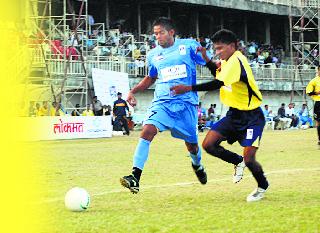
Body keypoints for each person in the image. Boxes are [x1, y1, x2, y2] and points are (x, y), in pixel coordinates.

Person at [171, 29, 269, 202]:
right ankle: (238, 161)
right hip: (234, 115)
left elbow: (218, 83)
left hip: (252, 117)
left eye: (220, 48)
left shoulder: (237, 60)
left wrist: (187, 88)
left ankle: (262, 186)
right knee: (209, 144)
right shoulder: (227, 61)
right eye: (215, 49)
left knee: (250, 159)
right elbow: (217, 73)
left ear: (232, 46)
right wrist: (207, 58)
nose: (218, 52)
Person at [120, 17, 211, 194]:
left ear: (171, 32)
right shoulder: (153, 55)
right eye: (155, 34)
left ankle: (197, 165)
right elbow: (151, 78)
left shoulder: (189, 46)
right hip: (163, 102)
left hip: (186, 105)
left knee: (192, 145)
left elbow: (208, 62)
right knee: (147, 130)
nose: (158, 37)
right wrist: (133, 91)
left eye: (161, 33)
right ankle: (135, 177)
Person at [306, 65, 320, 145]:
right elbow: (309, 92)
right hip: (318, 102)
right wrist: (317, 93)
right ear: (318, 71)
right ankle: (319, 139)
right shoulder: (314, 81)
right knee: (318, 122)